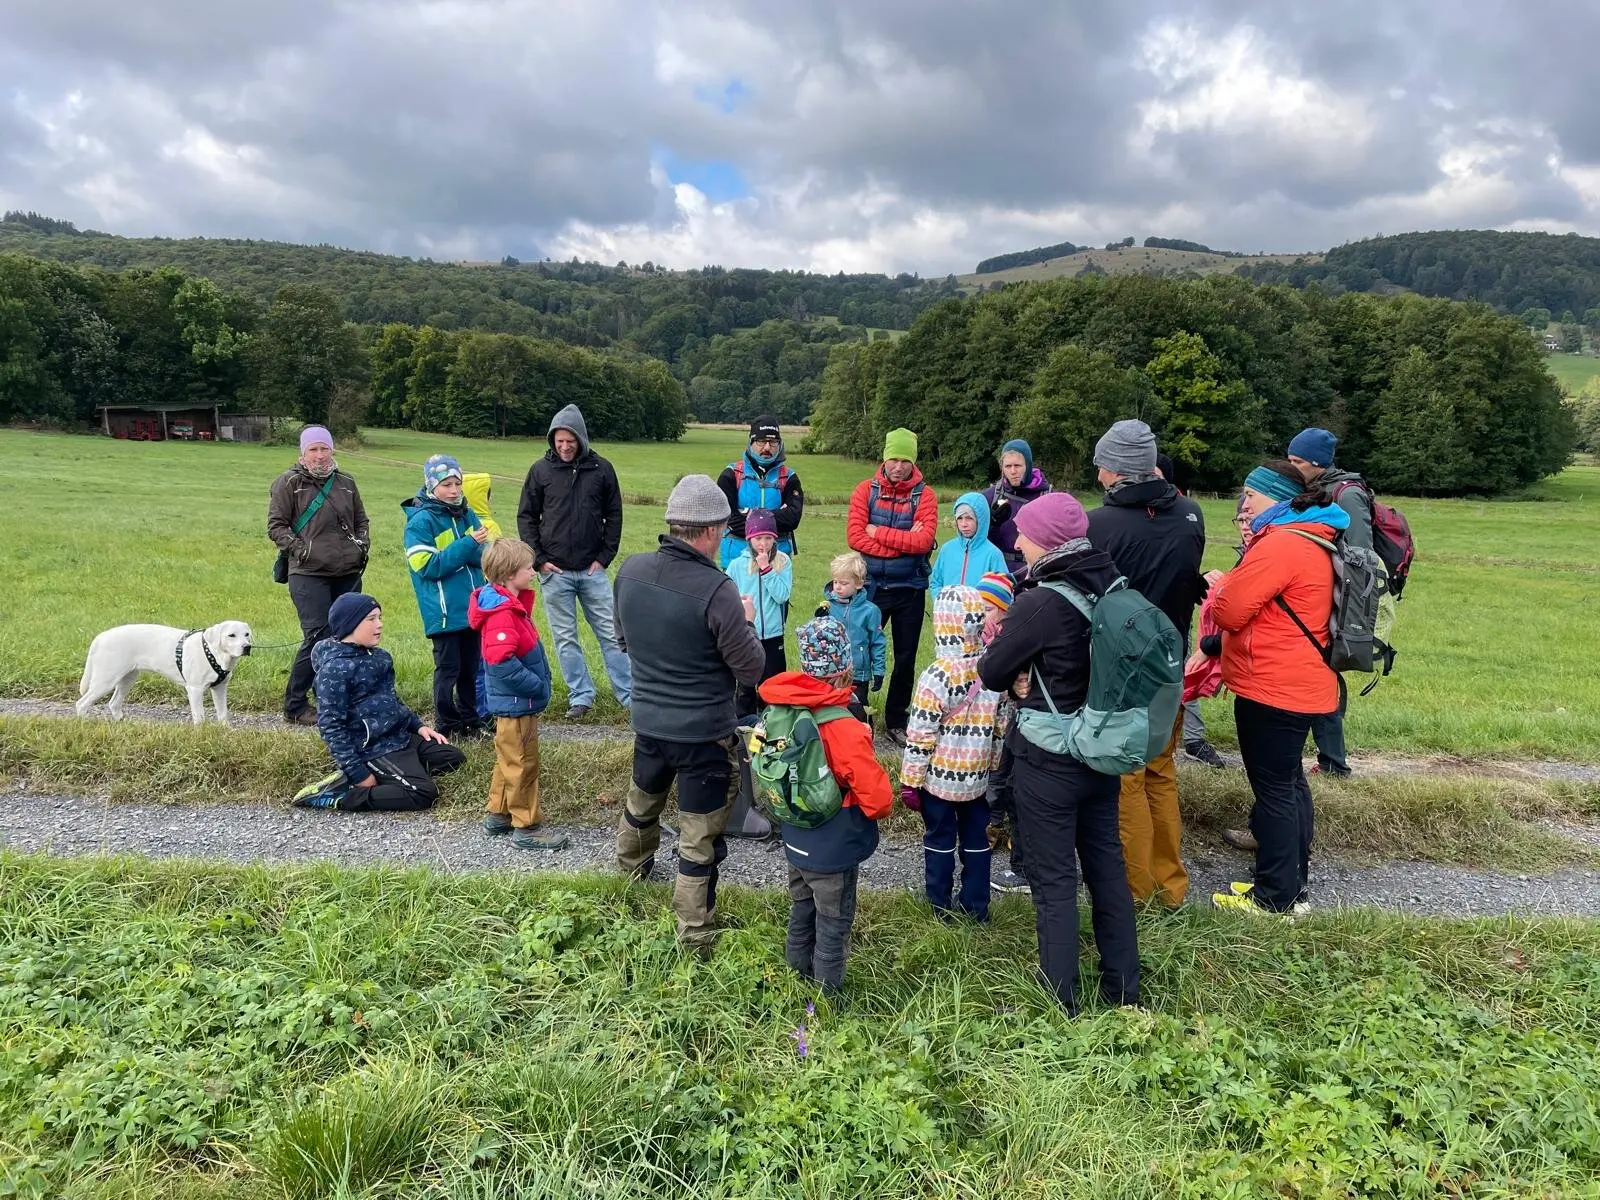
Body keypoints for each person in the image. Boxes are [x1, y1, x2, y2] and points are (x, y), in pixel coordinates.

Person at [977, 493, 1140, 1015]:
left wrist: (1022, 677)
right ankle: (1122, 990)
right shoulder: (1114, 585)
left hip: (1049, 759)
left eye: (1023, 534)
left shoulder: (1041, 601)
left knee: (1053, 881)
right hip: (1101, 749)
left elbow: (991, 670)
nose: (1017, 542)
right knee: (1107, 869)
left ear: (1046, 541)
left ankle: (1059, 1001)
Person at [613, 474, 767, 952]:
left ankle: (627, 879)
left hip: (649, 721)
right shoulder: (716, 589)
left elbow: (623, 642)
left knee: (642, 804)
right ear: (710, 530)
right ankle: (694, 934)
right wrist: (745, 621)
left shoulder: (630, 571)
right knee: (698, 839)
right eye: (723, 529)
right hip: (703, 732)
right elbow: (751, 668)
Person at [1205, 461, 1348, 915]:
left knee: (1274, 789)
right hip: (1302, 679)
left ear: (1278, 497)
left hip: (1274, 686)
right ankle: (1290, 883)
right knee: (1288, 784)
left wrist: (1222, 586)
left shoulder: (1282, 544)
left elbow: (1229, 612)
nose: (1244, 503)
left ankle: (1275, 898)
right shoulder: (1313, 535)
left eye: (1252, 494)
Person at [1085, 419, 1205, 909]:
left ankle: (1134, 890)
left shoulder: (1101, 525)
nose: (1098, 478)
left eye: (1102, 467)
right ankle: (1172, 886)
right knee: (1161, 770)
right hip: (1170, 664)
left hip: (1121, 669)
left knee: (1125, 778)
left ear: (1117, 469)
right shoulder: (1192, 515)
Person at [759, 617, 892, 996]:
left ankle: (794, 973)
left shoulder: (780, 710)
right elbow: (877, 798)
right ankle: (827, 1000)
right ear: (845, 670)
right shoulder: (843, 725)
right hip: (835, 845)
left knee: (802, 906)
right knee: (834, 921)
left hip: (795, 834)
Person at [293, 593, 465, 810]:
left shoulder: (380, 656)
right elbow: (331, 727)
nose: (380, 625)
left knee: (452, 757)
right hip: (372, 748)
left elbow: (392, 700)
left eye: (380, 617)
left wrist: (418, 726)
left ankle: (396, 774)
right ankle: (342, 795)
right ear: (350, 624)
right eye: (371, 619)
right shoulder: (334, 670)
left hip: (399, 736)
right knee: (422, 793)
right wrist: (358, 773)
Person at [516, 405, 632, 720]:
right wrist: (538, 560)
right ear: (552, 440)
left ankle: (630, 696)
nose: (564, 447)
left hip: (592, 570)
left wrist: (605, 557)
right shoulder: (540, 471)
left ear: (581, 439)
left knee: (611, 633)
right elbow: (526, 517)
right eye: (559, 441)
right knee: (566, 638)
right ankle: (581, 696)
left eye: (570, 441)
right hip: (555, 573)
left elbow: (615, 515)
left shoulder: (602, 469)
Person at [900, 586, 1008, 923]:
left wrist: (910, 781)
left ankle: (938, 903)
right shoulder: (991, 668)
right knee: (977, 840)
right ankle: (976, 906)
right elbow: (1001, 725)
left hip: (938, 779)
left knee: (940, 839)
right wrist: (991, 763)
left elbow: (920, 734)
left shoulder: (935, 676)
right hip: (976, 777)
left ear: (944, 625)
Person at [468, 538, 569, 852]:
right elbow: (500, 663)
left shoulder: (507, 604)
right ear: (509, 574)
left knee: (507, 760)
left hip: (513, 703)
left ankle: (498, 813)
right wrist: (536, 686)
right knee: (523, 763)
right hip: (516, 703)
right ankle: (526, 825)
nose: (533, 573)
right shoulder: (502, 614)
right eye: (528, 568)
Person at [267, 425, 369, 726]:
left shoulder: (347, 482)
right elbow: (276, 526)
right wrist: (302, 550)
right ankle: (295, 705)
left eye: (324, 448)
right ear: (303, 453)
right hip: (308, 573)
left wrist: (362, 545)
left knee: (348, 636)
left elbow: (361, 519)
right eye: (314, 449)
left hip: (347, 571)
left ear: (332, 450)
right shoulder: (288, 483)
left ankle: (336, 699)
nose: (320, 455)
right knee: (318, 636)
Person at [846, 428, 939, 746]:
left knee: (906, 656)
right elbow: (855, 537)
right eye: (893, 459)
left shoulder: (924, 495)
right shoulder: (864, 491)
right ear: (884, 458)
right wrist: (904, 544)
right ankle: (857, 716)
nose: (898, 466)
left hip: (910, 588)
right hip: (870, 587)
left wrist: (878, 533)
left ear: (912, 461)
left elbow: (924, 541)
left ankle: (897, 719)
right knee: (862, 651)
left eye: (904, 460)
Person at [1286, 427, 1367, 779]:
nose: (1292, 467)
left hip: (1334, 602)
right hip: (1311, 596)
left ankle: (1334, 764)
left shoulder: (1346, 495)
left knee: (1323, 677)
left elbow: (1361, 556)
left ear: (1318, 463)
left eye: (1298, 461)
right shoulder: (1316, 489)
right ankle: (1323, 759)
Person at [402, 454, 488, 739]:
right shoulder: (420, 523)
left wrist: (467, 550)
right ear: (431, 486)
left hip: (472, 608)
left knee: (470, 669)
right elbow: (428, 566)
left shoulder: (467, 514)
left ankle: (470, 722)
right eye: (446, 484)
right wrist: (466, 545)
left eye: (457, 484)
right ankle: (446, 724)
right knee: (448, 670)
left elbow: (484, 557)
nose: (453, 490)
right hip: (443, 612)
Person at [1157, 451, 1227, 770]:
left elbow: (1185, 563)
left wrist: (1198, 580)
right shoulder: (1134, 511)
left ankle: (1193, 739)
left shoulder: (1188, 513)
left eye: (1156, 475)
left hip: (1177, 612)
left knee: (1185, 669)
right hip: (1141, 612)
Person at [974, 572, 1029, 895]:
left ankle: (999, 828)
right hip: (987, 724)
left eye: (989, 607)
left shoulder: (1011, 637)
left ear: (1004, 608)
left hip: (1009, 722)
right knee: (993, 779)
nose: (983, 614)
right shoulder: (979, 638)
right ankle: (991, 826)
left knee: (1004, 780)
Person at [724, 508, 794, 717]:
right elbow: (727, 596)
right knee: (746, 685)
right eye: (757, 538)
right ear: (749, 539)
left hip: (773, 635)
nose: (762, 544)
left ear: (774, 539)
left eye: (767, 538)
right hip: (747, 633)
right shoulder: (737, 565)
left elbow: (782, 595)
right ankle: (743, 727)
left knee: (773, 686)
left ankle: (773, 727)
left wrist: (767, 570)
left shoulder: (783, 562)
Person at [717, 414, 805, 567]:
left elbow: (792, 520)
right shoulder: (731, 475)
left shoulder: (789, 477)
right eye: (761, 441)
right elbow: (728, 519)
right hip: (737, 559)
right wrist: (775, 515)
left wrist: (748, 513)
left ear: (780, 444)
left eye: (773, 442)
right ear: (751, 442)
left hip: (777, 560)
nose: (767, 448)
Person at [816, 551, 886, 713]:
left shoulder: (870, 611)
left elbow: (877, 642)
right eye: (835, 582)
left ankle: (865, 736)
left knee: (858, 710)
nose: (838, 587)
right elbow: (816, 639)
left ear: (859, 584)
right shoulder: (828, 607)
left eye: (844, 583)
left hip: (858, 673)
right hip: (831, 671)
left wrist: (879, 670)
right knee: (831, 709)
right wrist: (818, 620)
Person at [983, 439, 1052, 577]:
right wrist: (992, 524)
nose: (1013, 471)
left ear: (1028, 465)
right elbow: (971, 537)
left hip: (1034, 570)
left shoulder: (1047, 497)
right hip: (998, 569)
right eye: (1008, 466)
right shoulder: (990, 496)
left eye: (1018, 465)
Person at [928, 491, 1010, 592]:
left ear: (981, 519)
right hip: (948, 607)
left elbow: (1004, 591)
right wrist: (941, 601)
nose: (963, 524)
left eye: (969, 518)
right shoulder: (947, 549)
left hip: (979, 607)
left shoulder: (993, 554)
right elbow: (935, 583)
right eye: (959, 518)